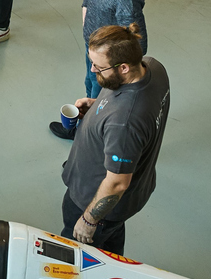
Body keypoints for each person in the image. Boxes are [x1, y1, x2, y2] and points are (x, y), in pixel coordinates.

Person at [60, 25, 170, 254]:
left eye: (99, 67)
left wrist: (89, 221)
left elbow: (118, 183)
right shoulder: (152, 67)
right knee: (111, 244)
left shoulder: (124, 122)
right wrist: (96, 107)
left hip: (93, 203)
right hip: (123, 203)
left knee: (78, 257)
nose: (92, 70)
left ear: (123, 67)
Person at [48, 0, 149, 140]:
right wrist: (86, 9)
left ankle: (88, 137)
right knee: (89, 84)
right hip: (93, 48)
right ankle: (85, 126)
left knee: (98, 101)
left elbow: (138, 46)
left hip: (105, 59)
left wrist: (106, 63)